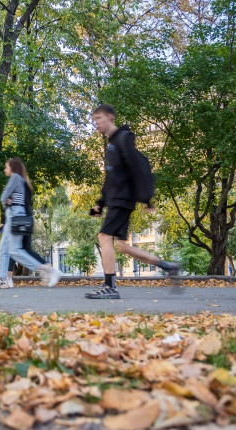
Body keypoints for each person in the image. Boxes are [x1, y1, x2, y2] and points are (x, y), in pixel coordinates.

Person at [87, 104, 180, 299]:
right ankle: (168, 266)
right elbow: (110, 178)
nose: (96, 123)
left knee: (104, 237)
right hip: (117, 199)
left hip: (122, 199)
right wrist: (99, 203)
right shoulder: (112, 145)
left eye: (99, 119)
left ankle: (110, 287)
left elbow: (137, 167)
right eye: (94, 120)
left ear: (110, 117)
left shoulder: (123, 138)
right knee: (122, 245)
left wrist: (147, 198)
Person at [0, 157, 61, 289]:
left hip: (14, 216)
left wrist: (6, 203)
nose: (5, 170)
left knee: (15, 251)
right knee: (3, 250)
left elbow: (4, 197)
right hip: (14, 216)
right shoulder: (22, 181)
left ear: (12, 167)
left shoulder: (15, 177)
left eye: (6, 167)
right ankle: (3, 279)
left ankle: (46, 270)